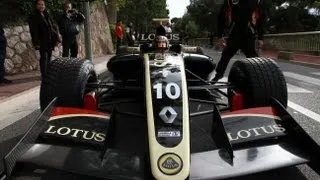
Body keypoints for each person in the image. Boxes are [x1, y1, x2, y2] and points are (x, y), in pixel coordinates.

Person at [212, 0, 266, 82]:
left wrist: (260, 37)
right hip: (235, 33)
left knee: (253, 59)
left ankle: (258, 80)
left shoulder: (257, 1)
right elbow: (221, 17)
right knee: (225, 56)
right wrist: (220, 35)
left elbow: (261, 18)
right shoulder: (230, 1)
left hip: (249, 34)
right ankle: (218, 75)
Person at [29, 0, 60, 78]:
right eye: (39, 4)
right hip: (41, 40)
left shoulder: (47, 14)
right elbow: (33, 30)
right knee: (44, 57)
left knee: (49, 56)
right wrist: (36, 42)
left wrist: (56, 39)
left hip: (49, 40)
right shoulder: (34, 16)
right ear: (36, 6)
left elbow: (53, 27)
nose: (41, 6)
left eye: (42, 4)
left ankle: (47, 73)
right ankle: (44, 75)